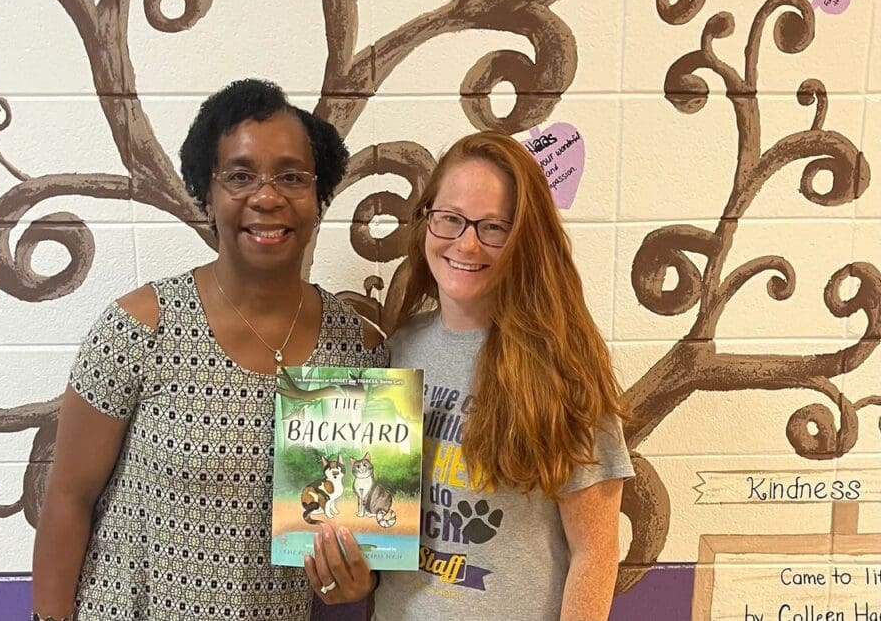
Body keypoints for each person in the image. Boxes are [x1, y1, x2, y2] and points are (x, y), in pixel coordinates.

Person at [31, 78, 386, 621]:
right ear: (208, 192)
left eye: (291, 177)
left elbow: (356, 529)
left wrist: (354, 581)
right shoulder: (140, 329)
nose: (267, 196)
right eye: (240, 176)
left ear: (320, 196)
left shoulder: (356, 350)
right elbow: (67, 498)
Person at [305, 130, 633, 621]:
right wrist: (347, 568)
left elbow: (596, 553)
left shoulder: (564, 368)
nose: (468, 243)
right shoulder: (399, 351)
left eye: (494, 227)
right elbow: (375, 526)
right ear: (426, 222)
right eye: (451, 219)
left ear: (525, 238)